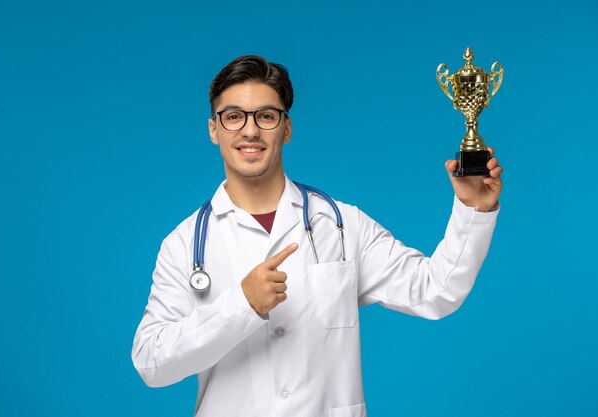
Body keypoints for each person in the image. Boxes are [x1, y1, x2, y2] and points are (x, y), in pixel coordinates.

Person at [131, 55, 502, 417]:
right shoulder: (184, 244)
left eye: (266, 115)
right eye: (233, 117)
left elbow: (436, 291)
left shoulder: (343, 224)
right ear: (214, 129)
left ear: (286, 128)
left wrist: (474, 211)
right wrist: (241, 306)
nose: (250, 130)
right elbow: (151, 363)